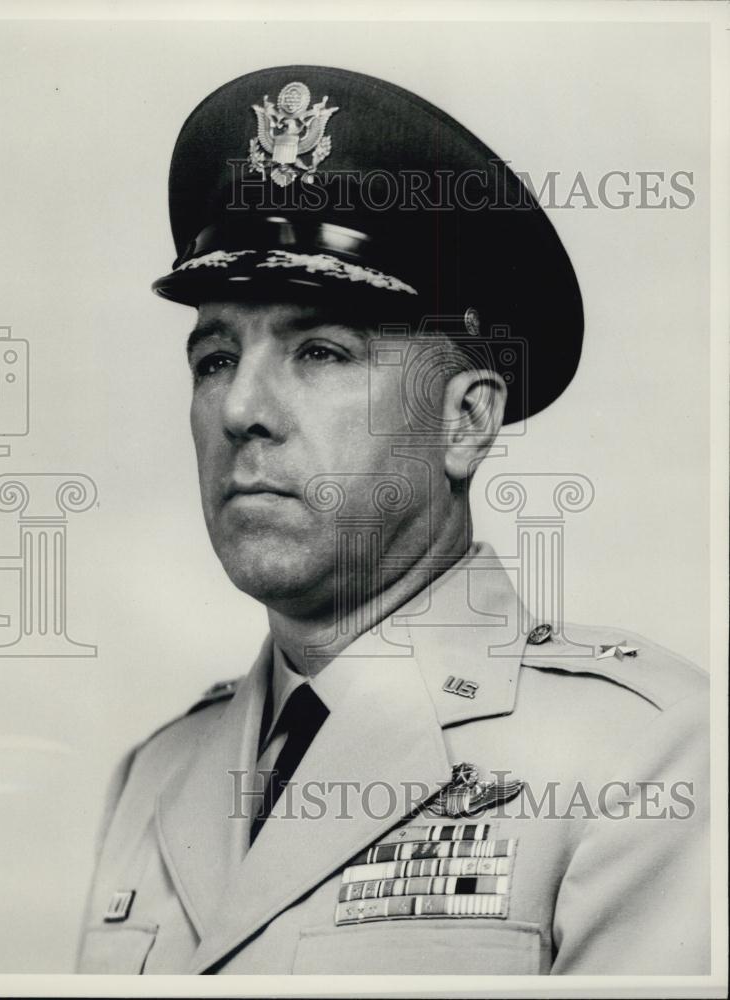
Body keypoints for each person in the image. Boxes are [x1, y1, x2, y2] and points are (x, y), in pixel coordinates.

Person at [76, 65, 709, 975]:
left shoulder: (650, 756)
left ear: (467, 419)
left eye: (322, 351)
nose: (239, 408)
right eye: (214, 357)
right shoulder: (155, 775)